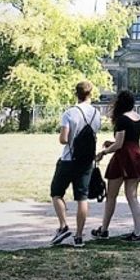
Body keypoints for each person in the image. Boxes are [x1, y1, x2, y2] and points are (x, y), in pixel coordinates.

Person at [92, 89, 140, 242]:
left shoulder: (121, 120)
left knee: (111, 196)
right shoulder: (138, 117)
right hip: (137, 155)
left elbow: (119, 144)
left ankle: (104, 229)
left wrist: (104, 152)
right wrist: (112, 144)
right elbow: (129, 140)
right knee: (132, 196)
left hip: (123, 159)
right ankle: (137, 232)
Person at [50, 80, 101, 247]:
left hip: (68, 160)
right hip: (86, 161)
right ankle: (79, 236)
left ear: (76, 94)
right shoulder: (96, 114)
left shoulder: (70, 113)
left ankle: (64, 225)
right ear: (90, 94)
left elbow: (64, 139)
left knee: (56, 193)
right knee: (82, 198)